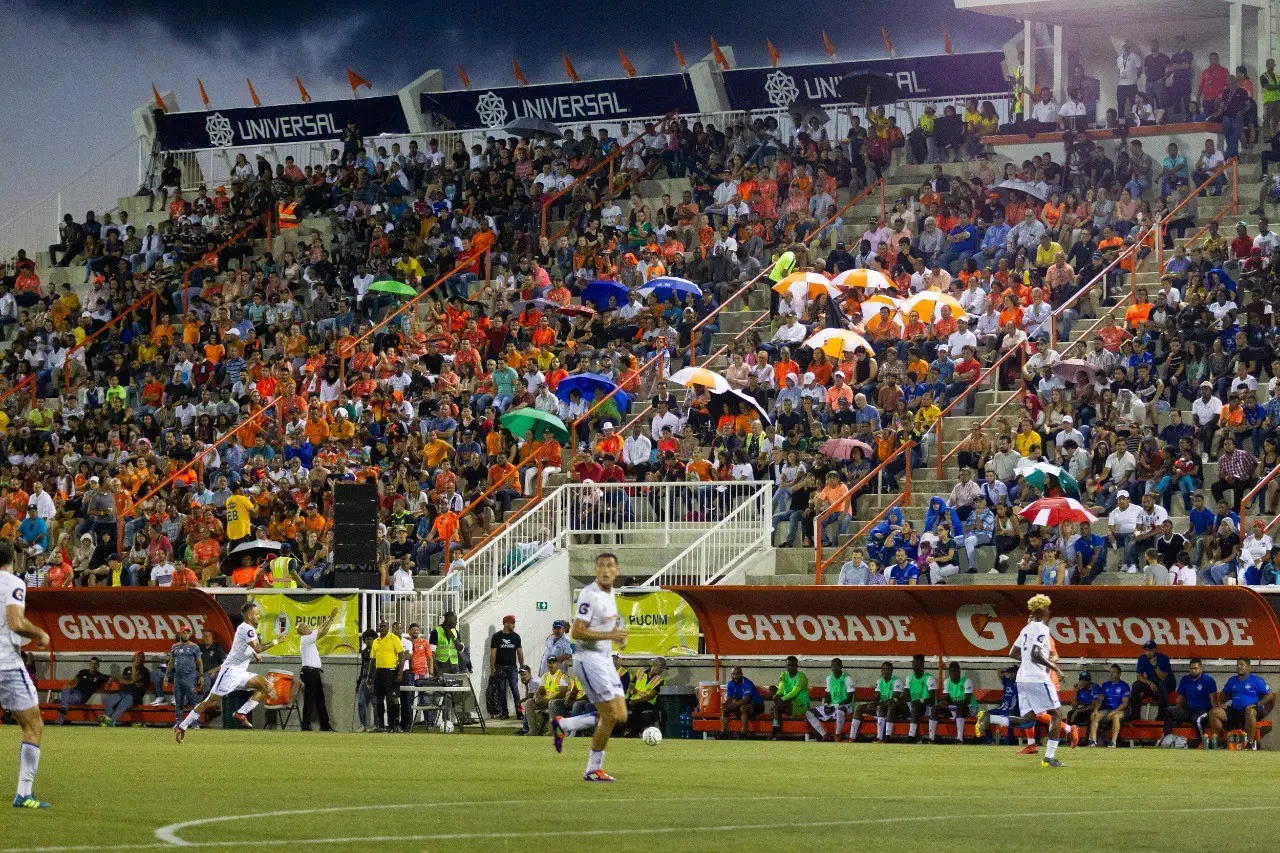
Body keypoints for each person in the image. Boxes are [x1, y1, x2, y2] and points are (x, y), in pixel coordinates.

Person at [552, 553, 629, 782]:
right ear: (596, 570)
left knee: (621, 715)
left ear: (617, 570)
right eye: (601, 566)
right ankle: (593, 768)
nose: (606, 570)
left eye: (610, 566)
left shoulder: (610, 594)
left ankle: (564, 724)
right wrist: (611, 634)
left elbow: (609, 624)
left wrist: (618, 638)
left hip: (605, 660)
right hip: (589, 660)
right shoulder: (589, 594)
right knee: (610, 715)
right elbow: (577, 632)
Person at [175, 601, 285, 742]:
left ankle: (241, 713)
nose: (258, 617)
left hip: (240, 672)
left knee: (267, 686)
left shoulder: (248, 629)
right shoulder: (247, 628)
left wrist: (254, 654)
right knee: (209, 702)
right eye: (256, 614)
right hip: (230, 672)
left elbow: (246, 647)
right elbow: (258, 647)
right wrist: (277, 641)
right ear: (250, 615)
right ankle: (182, 726)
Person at [0, 540, 51, 808]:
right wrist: (40, 633)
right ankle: (23, 793)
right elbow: (17, 623)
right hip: (5, 665)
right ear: (15, 560)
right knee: (33, 726)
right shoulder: (13, 583)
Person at [1010, 594, 1067, 767]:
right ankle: (1049, 758)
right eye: (1047, 607)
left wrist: (1026, 660)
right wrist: (1056, 668)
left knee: (1028, 718)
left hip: (1022, 677)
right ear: (1041, 610)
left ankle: (991, 718)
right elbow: (1036, 654)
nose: (1049, 610)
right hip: (1036, 676)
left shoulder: (1025, 629)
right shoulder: (1042, 628)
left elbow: (1013, 653)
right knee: (1057, 713)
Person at [1207, 657, 1276, 750]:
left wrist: (1258, 704)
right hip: (1235, 711)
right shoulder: (1232, 680)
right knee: (1214, 712)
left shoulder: (1257, 680)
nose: (1239, 667)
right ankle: (1220, 741)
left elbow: (1270, 695)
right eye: (1238, 665)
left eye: (1242, 665)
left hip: (1252, 710)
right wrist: (1221, 703)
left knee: (1250, 711)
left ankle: (1250, 744)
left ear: (1249, 667)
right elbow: (1224, 695)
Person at [297, 606, 339, 732]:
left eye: (307, 626)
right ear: (301, 632)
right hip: (309, 672)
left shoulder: (309, 639)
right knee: (310, 700)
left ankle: (325, 726)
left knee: (320, 699)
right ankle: (305, 727)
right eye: (304, 628)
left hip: (313, 672)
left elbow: (319, 628)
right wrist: (331, 618)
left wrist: (330, 618)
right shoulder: (306, 639)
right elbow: (323, 632)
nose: (307, 628)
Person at [161, 628, 204, 728]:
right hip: (178, 677)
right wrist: (166, 675)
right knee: (178, 701)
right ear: (180, 634)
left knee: (193, 701)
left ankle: (195, 723)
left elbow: (199, 662)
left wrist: (201, 676)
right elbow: (171, 662)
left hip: (190, 677)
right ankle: (178, 721)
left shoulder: (194, 647)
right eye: (184, 632)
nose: (186, 634)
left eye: (188, 633)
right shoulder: (175, 647)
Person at [368, 620, 405, 733]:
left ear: (388, 627)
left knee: (393, 700)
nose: (382, 628)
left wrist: (400, 672)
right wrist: (370, 676)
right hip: (379, 672)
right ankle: (380, 725)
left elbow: (401, 655)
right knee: (379, 699)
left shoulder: (394, 638)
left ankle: (395, 725)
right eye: (381, 626)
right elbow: (373, 660)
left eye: (384, 626)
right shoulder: (376, 641)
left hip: (391, 672)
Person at [806, 657, 855, 742]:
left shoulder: (848, 679)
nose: (835, 667)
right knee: (808, 713)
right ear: (831, 667)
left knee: (840, 711)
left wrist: (835, 706)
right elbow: (828, 695)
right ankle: (824, 735)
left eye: (837, 665)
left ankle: (837, 735)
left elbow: (850, 698)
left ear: (841, 666)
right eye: (833, 665)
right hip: (832, 706)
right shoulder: (829, 678)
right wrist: (825, 705)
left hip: (846, 706)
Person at [855, 660, 904, 743]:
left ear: (892, 671)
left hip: (893, 710)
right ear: (881, 671)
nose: (885, 671)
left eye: (888, 669)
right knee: (860, 707)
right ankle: (853, 737)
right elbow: (876, 696)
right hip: (881, 707)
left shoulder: (897, 681)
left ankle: (880, 737)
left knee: (882, 707)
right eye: (883, 669)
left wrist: (876, 704)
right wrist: (873, 704)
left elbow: (894, 698)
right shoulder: (879, 681)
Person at [1166, 658, 1216, 740]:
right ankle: (1166, 738)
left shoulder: (1208, 680)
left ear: (1201, 668)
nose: (1193, 671)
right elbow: (1181, 698)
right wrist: (1178, 711)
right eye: (1191, 668)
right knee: (1169, 712)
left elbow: (1213, 699)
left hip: (1204, 711)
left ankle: (1202, 742)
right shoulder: (1185, 679)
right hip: (1189, 710)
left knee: (1196, 719)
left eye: (1195, 668)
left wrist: (1213, 714)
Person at [488, 615, 525, 721]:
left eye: (514, 623)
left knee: (515, 691)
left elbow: (520, 652)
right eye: (512, 623)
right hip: (500, 668)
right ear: (506, 623)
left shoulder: (516, 637)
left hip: (512, 668)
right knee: (501, 691)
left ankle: (519, 712)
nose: (514, 625)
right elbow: (493, 653)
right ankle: (504, 713)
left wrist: (522, 667)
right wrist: (492, 669)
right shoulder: (496, 636)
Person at [100, 652, 149, 727]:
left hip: (135, 696)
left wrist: (133, 668)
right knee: (112, 698)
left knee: (123, 703)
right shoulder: (127, 669)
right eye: (137, 657)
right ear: (133, 658)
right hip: (123, 692)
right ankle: (106, 719)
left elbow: (134, 679)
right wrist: (131, 682)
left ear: (143, 660)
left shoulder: (145, 671)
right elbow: (122, 680)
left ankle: (111, 722)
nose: (138, 659)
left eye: (141, 657)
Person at [55, 656, 108, 725]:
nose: (93, 665)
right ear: (89, 664)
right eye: (92, 663)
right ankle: (63, 708)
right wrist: (69, 684)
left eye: (95, 664)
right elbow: (74, 680)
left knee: (64, 702)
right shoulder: (83, 671)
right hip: (74, 691)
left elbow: (113, 677)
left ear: (98, 665)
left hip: (82, 696)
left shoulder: (100, 676)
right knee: (66, 689)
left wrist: (111, 679)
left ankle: (60, 715)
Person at [1130, 640, 1174, 723]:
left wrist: (1155, 666)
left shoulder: (1164, 658)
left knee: (1162, 684)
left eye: (1150, 650)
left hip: (1167, 684)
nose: (1148, 652)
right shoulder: (1142, 658)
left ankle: (1161, 716)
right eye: (1146, 650)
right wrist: (1150, 683)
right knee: (1136, 685)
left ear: (1155, 650)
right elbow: (1139, 676)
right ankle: (1135, 716)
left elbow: (1163, 677)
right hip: (1153, 683)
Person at [1089, 664, 1132, 748]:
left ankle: (1113, 742)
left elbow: (1125, 703)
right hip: (1107, 709)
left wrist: (1114, 711)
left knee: (1115, 716)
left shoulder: (1124, 686)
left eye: (1114, 672)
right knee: (1096, 715)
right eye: (1110, 672)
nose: (1111, 674)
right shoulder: (1105, 685)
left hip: (1121, 709)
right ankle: (1093, 742)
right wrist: (1095, 709)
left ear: (1119, 674)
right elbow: (1100, 699)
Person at [769, 655, 811, 740]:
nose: (790, 667)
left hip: (801, 704)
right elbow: (781, 689)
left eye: (793, 665)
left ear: (797, 666)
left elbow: (794, 693)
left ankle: (775, 733)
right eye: (788, 665)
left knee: (776, 709)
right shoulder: (783, 674)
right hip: (786, 702)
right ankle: (775, 730)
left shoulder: (801, 676)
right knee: (772, 689)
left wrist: (781, 699)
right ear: (786, 666)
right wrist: (777, 695)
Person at [933, 661, 975, 744]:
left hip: (969, 708)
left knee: (960, 708)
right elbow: (945, 699)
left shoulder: (967, 681)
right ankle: (933, 737)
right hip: (954, 708)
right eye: (950, 672)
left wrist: (949, 702)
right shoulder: (947, 681)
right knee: (936, 709)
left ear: (959, 672)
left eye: (954, 671)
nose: (952, 674)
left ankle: (959, 738)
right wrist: (941, 703)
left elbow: (966, 701)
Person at [720, 665, 764, 739]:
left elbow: (745, 700)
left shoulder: (747, 683)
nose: (735, 676)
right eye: (733, 674)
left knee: (743, 708)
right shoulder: (730, 684)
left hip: (757, 705)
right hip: (741, 705)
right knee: (725, 709)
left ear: (741, 674)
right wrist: (725, 705)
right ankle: (723, 733)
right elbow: (729, 698)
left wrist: (734, 704)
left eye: (737, 674)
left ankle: (743, 733)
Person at [625, 658, 666, 737]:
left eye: (664, 668)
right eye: (661, 667)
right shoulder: (639, 673)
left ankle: (634, 732)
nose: (662, 670)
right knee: (620, 704)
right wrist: (631, 689)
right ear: (654, 665)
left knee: (636, 706)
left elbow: (651, 696)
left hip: (648, 703)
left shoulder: (660, 680)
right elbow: (632, 684)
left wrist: (636, 700)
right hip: (634, 699)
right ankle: (616, 731)